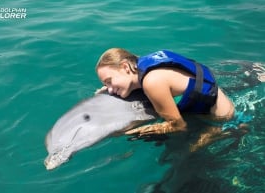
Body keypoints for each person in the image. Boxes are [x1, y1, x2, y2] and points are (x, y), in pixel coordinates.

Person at [95, 48, 245, 146]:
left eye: (109, 81)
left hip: (223, 122)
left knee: (184, 158)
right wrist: (111, 88)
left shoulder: (152, 82)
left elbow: (179, 126)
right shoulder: (142, 65)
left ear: (125, 67)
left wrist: (137, 131)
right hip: (216, 103)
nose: (109, 88)